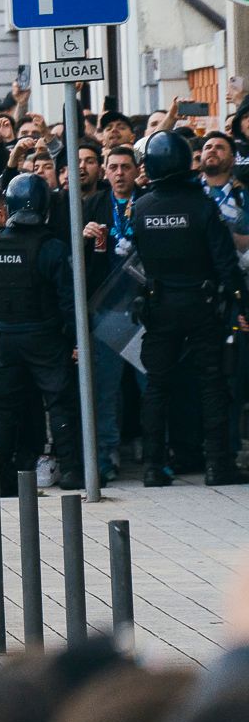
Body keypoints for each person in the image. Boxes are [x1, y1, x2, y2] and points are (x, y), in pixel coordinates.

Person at [129, 131, 243, 487]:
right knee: (212, 385)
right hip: (202, 304)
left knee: (157, 387)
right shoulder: (202, 205)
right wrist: (239, 300)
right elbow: (225, 262)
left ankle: (153, 467)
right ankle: (217, 466)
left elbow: (140, 258)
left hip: (159, 305)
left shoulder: (143, 206)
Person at [0, 173, 84, 492]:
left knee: (4, 410)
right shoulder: (52, 248)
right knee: (60, 403)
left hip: (6, 339)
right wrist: (75, 340)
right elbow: (68, 300)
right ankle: (73, 472)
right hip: (45, 338)